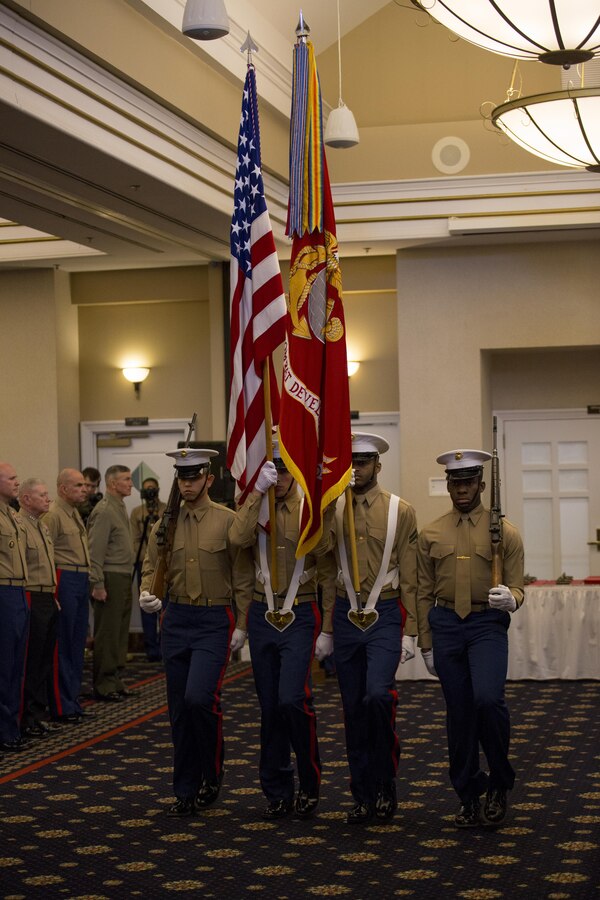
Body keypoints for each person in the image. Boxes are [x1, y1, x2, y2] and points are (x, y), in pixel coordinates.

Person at [139, 449, 254, 818]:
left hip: (212, 620)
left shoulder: (227, 520)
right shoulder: (164, 523)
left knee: (198, 699)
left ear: (208, 479)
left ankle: (211, 770)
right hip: (175, 620)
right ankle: (185, 788)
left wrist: (242, 623)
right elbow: (151, 565)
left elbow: (241, 575)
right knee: (178, 709)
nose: (187, 484)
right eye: (182, 478)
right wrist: (147, 594)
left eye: (194, 478)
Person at [229, 440, 337, 820]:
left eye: (287, 470)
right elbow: (237, 542)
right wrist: (256, 495)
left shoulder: (310, 505)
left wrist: (327, 628)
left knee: (293, 699)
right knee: (270, 706)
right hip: (261, 613)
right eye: (275, 470)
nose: (281, 478)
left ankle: (309, 781)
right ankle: (276, 788)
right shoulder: (256, 502)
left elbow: (326, 565)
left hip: (300, 612)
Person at [416, 449, 524, 829]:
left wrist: (512, 598)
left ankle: (498, 782)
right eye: (455, 482)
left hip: (486, 625)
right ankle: (467, 794)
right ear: (448, 485)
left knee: (488, 701)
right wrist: (425, 643)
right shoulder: (430, 532)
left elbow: (518, 585)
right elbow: (422, 592)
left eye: (468, 482)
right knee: (459, 714)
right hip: (445, 625)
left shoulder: (505, 533)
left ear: (481, 484)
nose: (462, 489)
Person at [316, 432, 419, 824]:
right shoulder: (333, 509)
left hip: (385, 614)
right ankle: (362, 793)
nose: (356, 469)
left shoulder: (400, 510)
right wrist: (325, 627)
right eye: (351, 462)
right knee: (353, 708)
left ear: (378, 465)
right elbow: (326, 571)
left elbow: (411, 576)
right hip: (345, 615)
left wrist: (413, 631)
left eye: (363, 462)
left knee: (378, 696)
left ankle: (385, 780)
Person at [43, 468, 91, 723]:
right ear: (63, 488)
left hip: (80, 578)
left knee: (77, 642)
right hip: (64, 578)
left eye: (84, 485)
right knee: (63, 643)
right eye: (79, 485)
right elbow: (46, 555)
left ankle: (72, 701)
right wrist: (52, 589)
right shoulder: (53, 515)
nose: (85, 489)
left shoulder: (74, 513)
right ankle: (61, 705)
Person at [88, 465, 135, 701]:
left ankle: (115, 678)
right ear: (112, 483)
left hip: (123, 575)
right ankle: (104, 683)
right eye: (126, 479)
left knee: (119, 631)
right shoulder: (105, 510)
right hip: (109, 576)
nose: (131, 483)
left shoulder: (119, 507)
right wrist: (97, 583)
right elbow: (95, 550)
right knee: (107, 631)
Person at [18, 479, 60, 738]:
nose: (48, 499)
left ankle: (36, 714)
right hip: (30, 596)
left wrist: (53, 594)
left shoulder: (42, 527)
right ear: (26, 499)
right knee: (31, 660)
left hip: (46, 596)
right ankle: (25, 718)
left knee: (45, 659)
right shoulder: (20, 526)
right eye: (42, 495)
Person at [0, 461, 30, 752]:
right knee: (4, 664)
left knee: (16, 665)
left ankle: (11, 727)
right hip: (3, 593)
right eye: (11, 478)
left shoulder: (13, 515)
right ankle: (5, 730)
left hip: (19, 591)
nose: (16, 482)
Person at [131, 477, 166, 662]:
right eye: (147, 489)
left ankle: (164, 644)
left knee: (163, 604)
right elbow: (135, 539)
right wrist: (146, 556)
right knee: (147, 603)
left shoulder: (166, 509)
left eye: (153, 488)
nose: (150, 491)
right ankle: (151, 648)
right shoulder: (137, 512)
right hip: (144, 561)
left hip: (165, 564)